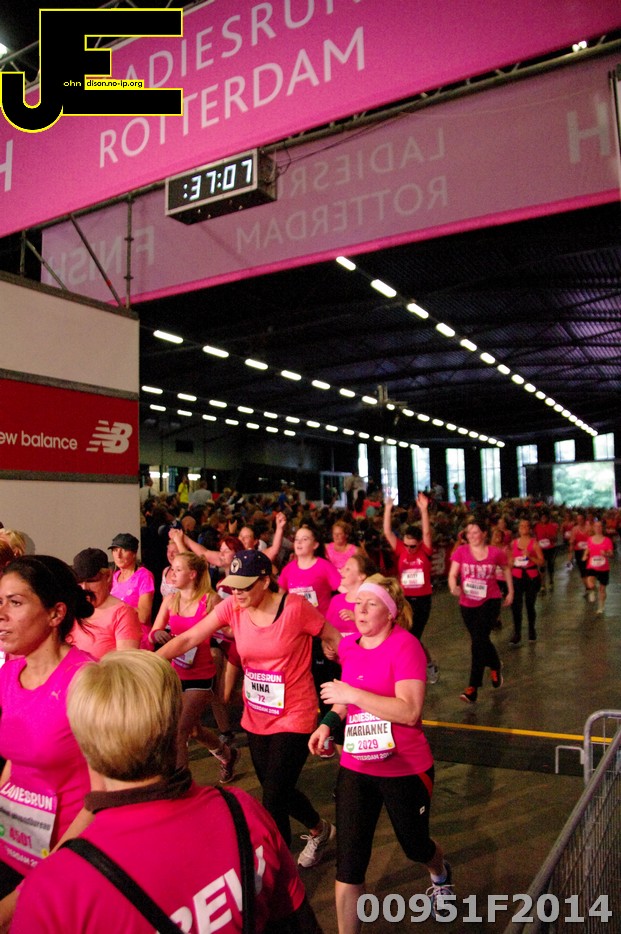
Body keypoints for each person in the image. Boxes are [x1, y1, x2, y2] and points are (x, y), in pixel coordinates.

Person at [11, 651, 323, 934]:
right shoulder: (242, 811)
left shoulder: (55, 890)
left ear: (81, 739)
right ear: (176, 725)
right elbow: (298, 921)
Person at [156, 550, 341, 867]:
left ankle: (279, 871)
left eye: (245, 586)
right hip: (256, 715)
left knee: (273, 798)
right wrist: (149, 662)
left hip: (294, 714)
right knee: (276, 789)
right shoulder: (233, 607)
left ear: (265, 581)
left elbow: (333, 637)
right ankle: (320, 829)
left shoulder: (295, 608)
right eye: (233, 586)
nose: (237, 592)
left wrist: (350, 669)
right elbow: (189, 638)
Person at [308, 575, 454, 931]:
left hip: (405, 767)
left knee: (415, 846)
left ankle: (439, 873)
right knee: (349, 864)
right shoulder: (350, 647)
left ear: (390, 613)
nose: (359, 610)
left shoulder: (406, 647)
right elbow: (347, 699)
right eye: (358, 603)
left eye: (370, 604)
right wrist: (327, 723)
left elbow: (409, 711)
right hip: (356, 765)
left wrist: (352, 695)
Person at [0, 556, 102, 925]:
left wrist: (38, 883)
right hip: (11, 846)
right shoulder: (9, 674)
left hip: (65, 860)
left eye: (15, 602)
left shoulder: (85, 680)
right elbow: (15, 762)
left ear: (56, 614)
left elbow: (102, 795)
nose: (1, 614)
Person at [149, 552, 238, 781]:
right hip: (174, 674)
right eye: (172, 569)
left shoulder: (210, 600)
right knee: (194, 730)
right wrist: (158, 634)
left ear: (192, 574)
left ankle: (180, 786)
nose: (172, 573)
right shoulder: (170, 600)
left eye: (178, 569)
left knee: (179, 731)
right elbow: (154, 630)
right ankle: (227, 755)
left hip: (201, 675)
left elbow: (232, 629)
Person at [448, 515, 513, 704]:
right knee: (480, 639)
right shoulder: (461, 552)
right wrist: (453, 587)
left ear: (484, 534)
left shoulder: (495, 552)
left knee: (477, 642)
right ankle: (495, 664)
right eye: (469, 532)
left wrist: (510, 591)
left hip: (490, 601)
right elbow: (452, 574)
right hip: (467, 603)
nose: (472, 536)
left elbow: (506, 568)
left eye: (476, 532)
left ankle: (473, 687)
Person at [383, 493, 439, 683]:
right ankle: (416, 667)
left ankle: (425, 667)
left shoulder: (425, 551)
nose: (408, 549)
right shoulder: (401, 549)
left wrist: (424, 510)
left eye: (412, 546)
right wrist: (388, 509)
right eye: (406, 545)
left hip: (422, 601)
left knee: (413, 637)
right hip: (404, 600)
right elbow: (388, 533)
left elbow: (427, 533)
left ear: (419, 544)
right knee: (405, 636)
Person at [70, 548, 141, 658]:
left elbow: (125, 662)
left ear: (107, 576)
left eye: (91, 581)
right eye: (79, 582)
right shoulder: (72, 608)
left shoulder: (123, 613)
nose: (84, 588)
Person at [109, 532, 155, 649]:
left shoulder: (144, 575)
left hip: (139, 640)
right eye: (115, 550)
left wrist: (116, 606)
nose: (118, 555)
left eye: (123, 550)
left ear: (134, 553)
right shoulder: (114, 576)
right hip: (117, 638)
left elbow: (143, 616)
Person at [509, 520, 544, 645]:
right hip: (517, 575)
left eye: (526, 526)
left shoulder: (534, 544)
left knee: (530, 604)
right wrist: (511, 562)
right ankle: (517, 633)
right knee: (516, 606)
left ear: (530, 529)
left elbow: (541, 562)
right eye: (521, 526)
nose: (523, 528)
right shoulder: (514, 543)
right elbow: (510, 559)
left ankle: (531, 629)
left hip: (531, 576)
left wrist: (530, 557)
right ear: (518, 529)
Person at [584, 519, 614, 614]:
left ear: (603, 528)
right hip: (592, 565)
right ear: (593, 528)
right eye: (596, 526)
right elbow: (588, 548)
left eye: (600, 526)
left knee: (602, 589)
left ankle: (601, 606)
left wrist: (606, 554)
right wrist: (585, 555)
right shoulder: (589, 539)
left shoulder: (607, 540)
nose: (598, 528)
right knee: (590, 583)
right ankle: (592, 590)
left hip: (603, 567)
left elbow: (611, 554)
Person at [534, 510, 559, 593]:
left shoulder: (552, 526)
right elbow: (535, 537)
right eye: (542, 517)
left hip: (550, 548)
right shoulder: (537, 526)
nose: (544, 519)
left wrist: (549, 537)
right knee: (542, 566)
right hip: (541, 549)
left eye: (545, 517)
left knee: (550, 565)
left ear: (548, 518)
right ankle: (543, 584)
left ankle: (551, 580)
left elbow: (555, 539)